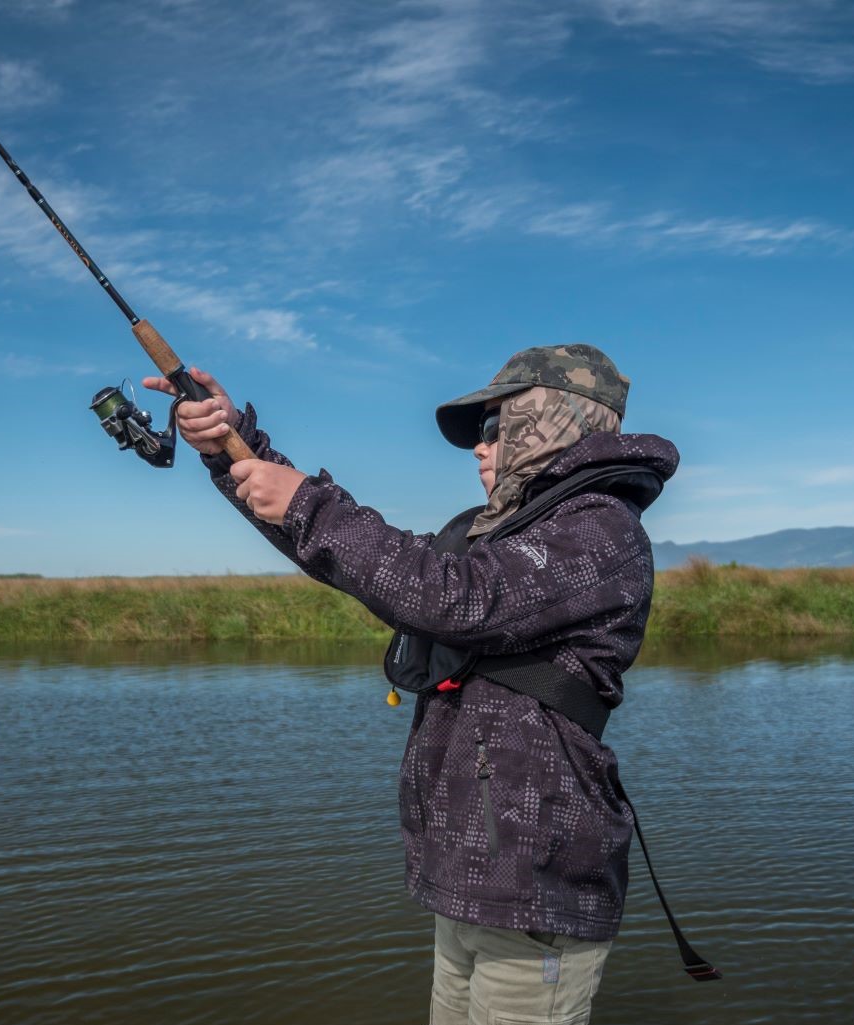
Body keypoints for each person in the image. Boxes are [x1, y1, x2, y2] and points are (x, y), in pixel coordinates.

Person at [144, 344, 679, 1024]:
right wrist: (231, 446)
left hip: (534, 890)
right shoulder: (502, 536)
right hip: (475, 882)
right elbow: (364, 560)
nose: (480, 450)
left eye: (495, 428)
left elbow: (449, 596)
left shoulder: (600, 530)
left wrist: (306, 500)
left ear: (554, 420)